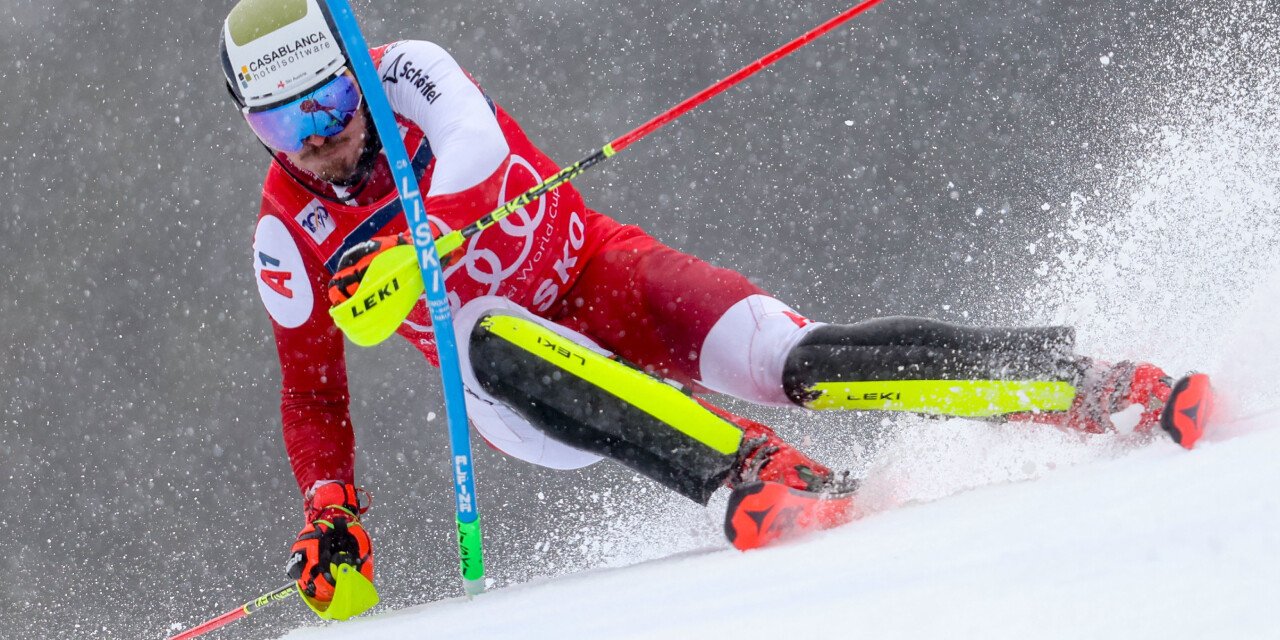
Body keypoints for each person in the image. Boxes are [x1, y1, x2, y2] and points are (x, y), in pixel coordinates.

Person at [219, 0, 1211, 617]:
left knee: (794, 357)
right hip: (525, 394)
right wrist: (331, 512)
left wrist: (414, 243)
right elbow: (311, 396)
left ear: (352, 69)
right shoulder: (286, 240)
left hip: (606, 274)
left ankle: (1085, 387)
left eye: (323, 103)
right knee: (477, 334)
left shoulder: (408, 72)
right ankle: (746, 468)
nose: (315, 141)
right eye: (279, 122)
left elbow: (474, 151)